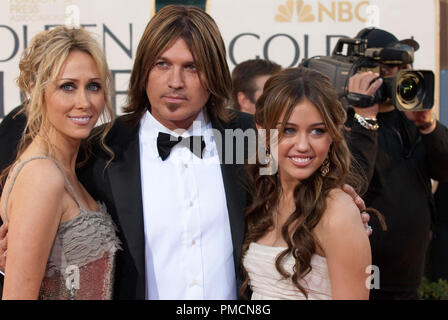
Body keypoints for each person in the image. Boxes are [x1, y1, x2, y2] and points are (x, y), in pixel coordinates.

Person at [0, 5, 369, 300]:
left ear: (213, 75)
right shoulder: (101, 151)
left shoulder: (250, 138)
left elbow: (305, 184)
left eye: (191, 67)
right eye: (163, 64)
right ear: (144, 70)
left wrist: (339, 202)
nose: (175, 82)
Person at [0, 26, 121, 299]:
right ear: (35, 92)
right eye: (67, 86)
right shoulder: (42, 176)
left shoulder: (67, 168)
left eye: (93, 86)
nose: (84, 102)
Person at [241, 67, 377, 300]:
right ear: (262, 130)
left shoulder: (338, 211)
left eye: (317, 131)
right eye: (289, 130)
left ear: (332, 136)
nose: (303, 145)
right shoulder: (264, 196)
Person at [345, 27, 448, 299]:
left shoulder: (413, 118)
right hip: (359, 280)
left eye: (407, 66)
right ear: (363, 71)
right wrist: (365, 117)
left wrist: (428, 126)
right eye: (392, 67)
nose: (404, 75)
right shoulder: (342, 122)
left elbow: (445, 169)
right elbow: (352, 183)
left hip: (407, 281)